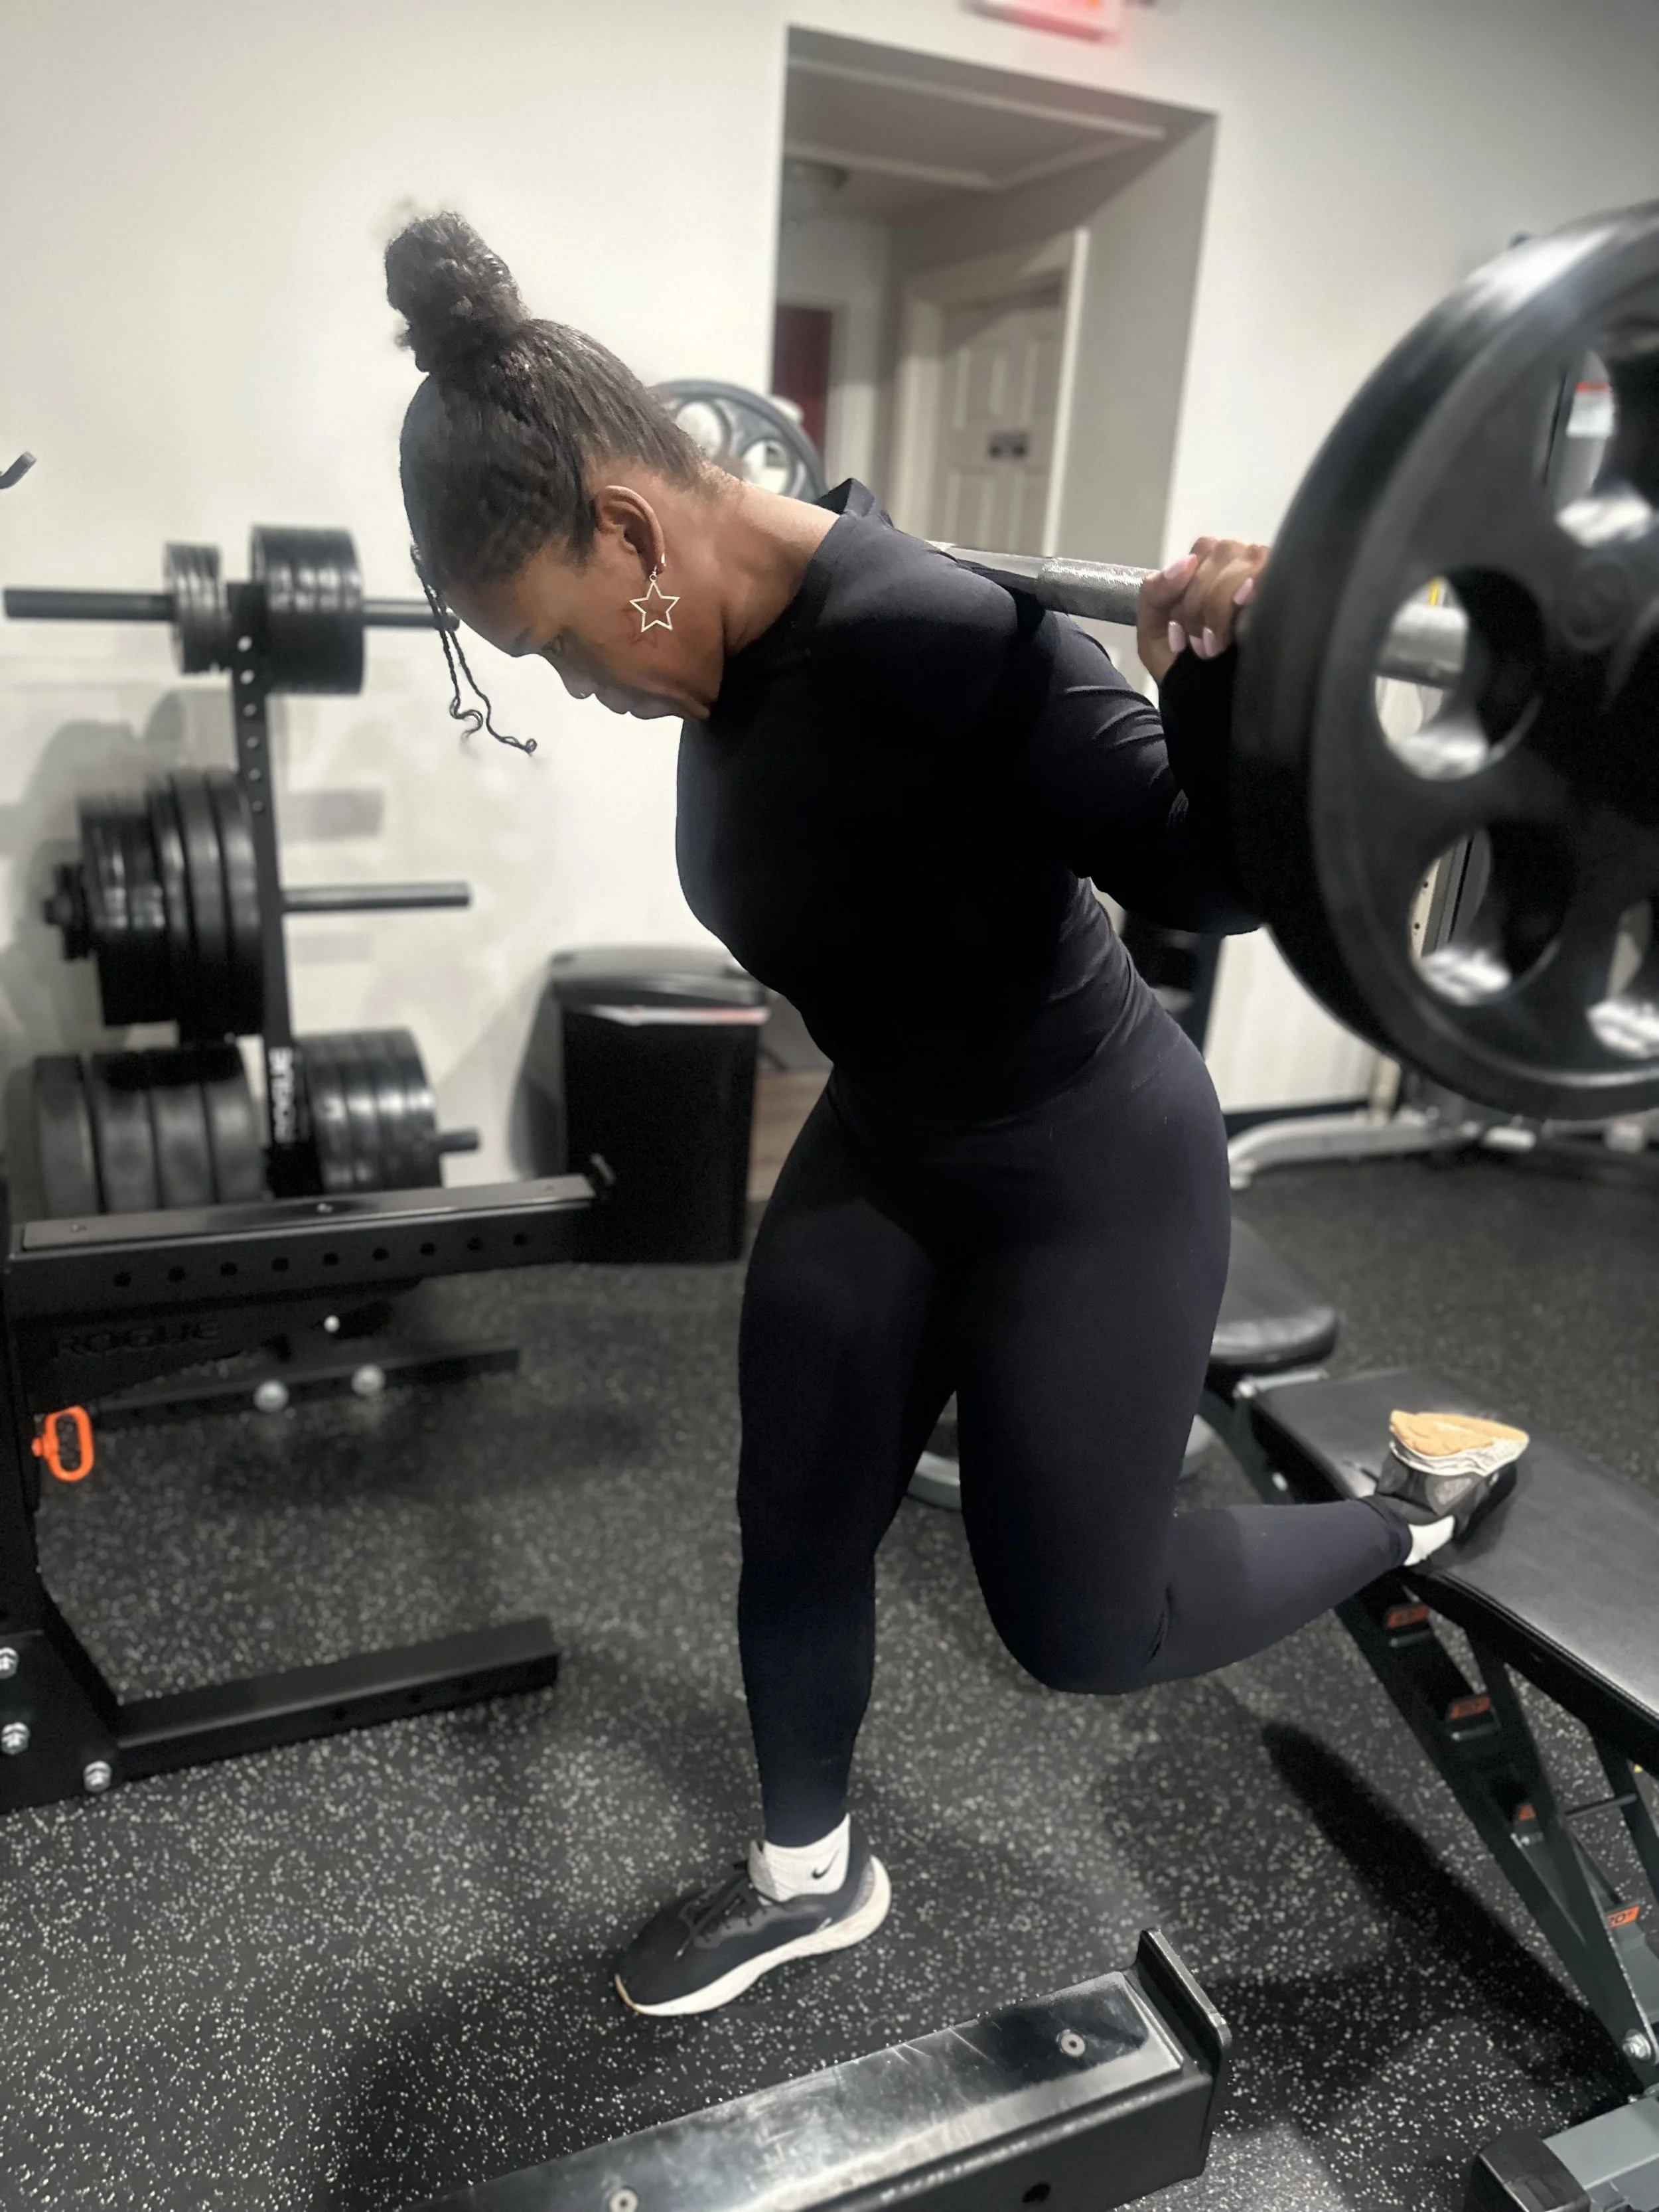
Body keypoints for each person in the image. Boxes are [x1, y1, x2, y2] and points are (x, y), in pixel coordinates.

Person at [384, 212, 1509, 2019]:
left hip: (1084, 1156)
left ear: (629, 529)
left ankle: (1406, 1518)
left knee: (1083, 1625)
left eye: (565, 645)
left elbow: (1202, 883)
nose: (582, 690)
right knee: (799, 1510)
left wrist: (1211, 683)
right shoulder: (735, 632)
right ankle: (806, 1879)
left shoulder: (937, 638)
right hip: (889, 1136)